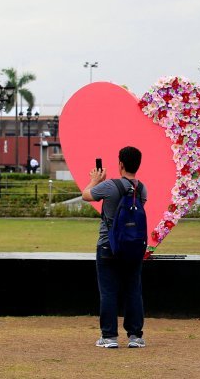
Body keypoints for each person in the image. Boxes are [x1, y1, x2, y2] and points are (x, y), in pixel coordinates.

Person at [82, 146, 148, 349]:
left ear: (120, 164)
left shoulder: (110, 186)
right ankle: (135, 336)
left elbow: (86, 195)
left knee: (109, 291)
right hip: (134, 247)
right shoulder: (141, 189)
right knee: (133, 291)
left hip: (108, 245)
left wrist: (95, 180)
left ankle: (109, 337)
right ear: (138, 164)